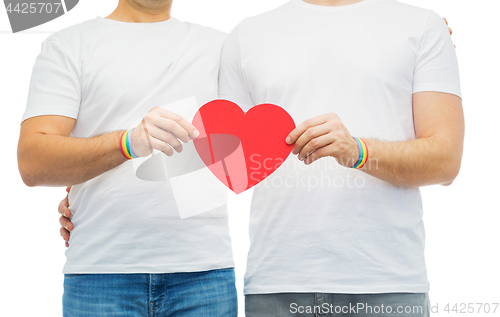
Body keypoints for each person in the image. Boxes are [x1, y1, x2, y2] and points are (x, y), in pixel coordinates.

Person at [217, 0, 463, 316]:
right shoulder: (245, 35)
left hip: (388, 286)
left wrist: (357, 151)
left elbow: (446, 162)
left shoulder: (423, 27)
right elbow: (231, 161)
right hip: (276, 284)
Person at [17, 0, 237, 316]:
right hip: (101, 273)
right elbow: (32, 163)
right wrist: (126, 143)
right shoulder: (70, 45)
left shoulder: (221, 48)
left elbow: (262, 133)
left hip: (204, 273)